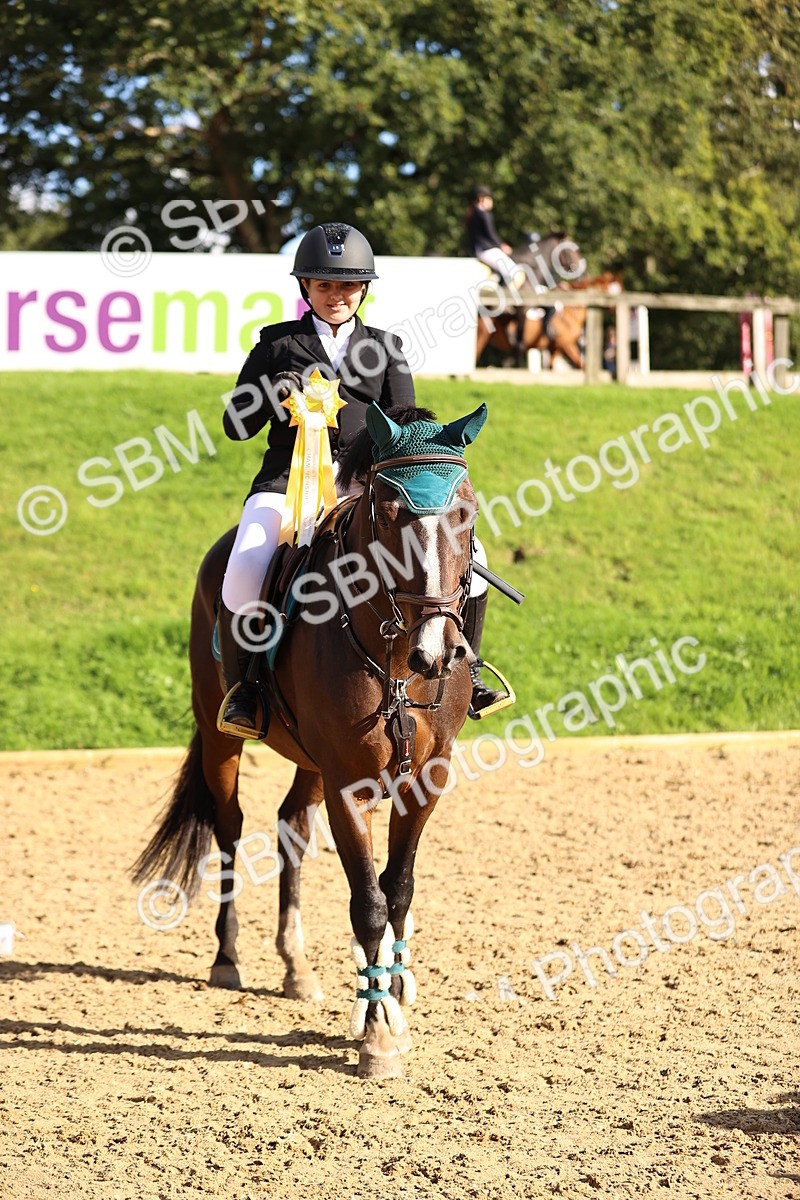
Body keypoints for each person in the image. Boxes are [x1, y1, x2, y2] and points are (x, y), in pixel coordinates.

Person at [218, 222, 510, 738]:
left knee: (476, 558)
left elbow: (411, 429)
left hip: (364, 488)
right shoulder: (275, 345)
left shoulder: (386, 347)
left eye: (348, 286)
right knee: (243, 568)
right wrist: (267, 394)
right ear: (305, 288)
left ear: (364, 290)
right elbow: (234, 427)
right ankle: (245, 692)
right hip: (285, 486)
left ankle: (473, 669)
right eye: (325, 285)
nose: (337, 296)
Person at [465, 186, 526, 291]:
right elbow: (491, 234)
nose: (491, 201)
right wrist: (502, 245)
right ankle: (506, 297)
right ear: (481, 198)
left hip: (479, 250)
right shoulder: (484, 214)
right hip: (487, 250)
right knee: (516, 275)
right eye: (489, 198)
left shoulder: (472, 214)